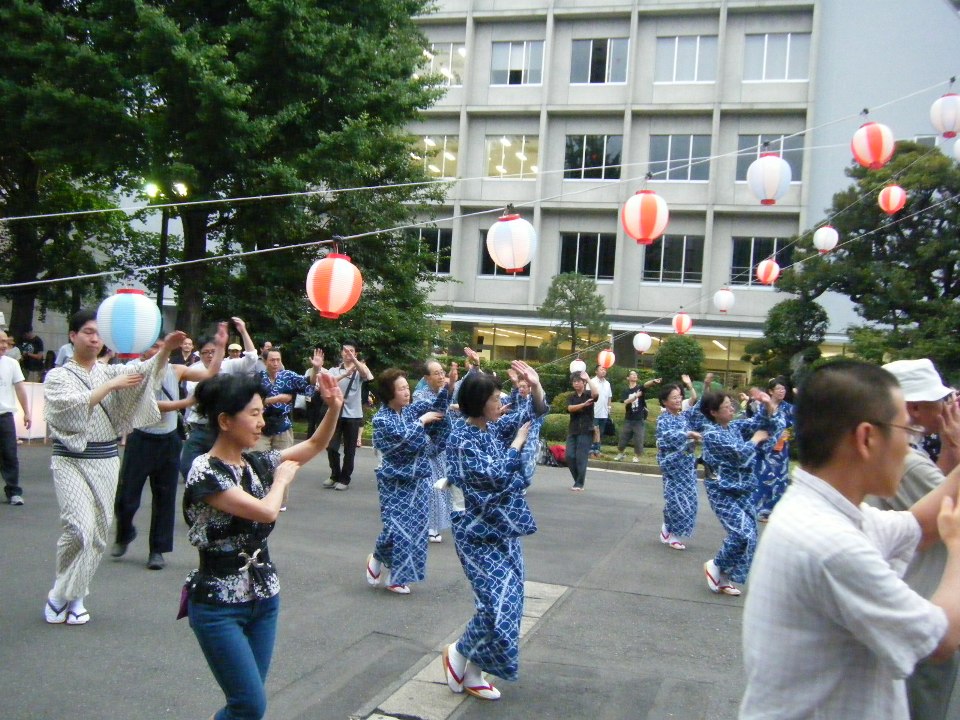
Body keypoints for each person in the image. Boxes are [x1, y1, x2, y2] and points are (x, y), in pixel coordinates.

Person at [741, 360, 960, 720]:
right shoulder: (831, 544)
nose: (909, 446)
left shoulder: (820, 512)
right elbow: (940, 638)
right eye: (907, 433)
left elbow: (919, 525)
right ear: (867, 438)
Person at [183, 371, 343, 720]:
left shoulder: (254, 463)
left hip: (263, 596)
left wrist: (333, 408)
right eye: (253, 414)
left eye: (262, 412)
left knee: (247, 705)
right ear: (225, 421)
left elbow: (314, 445)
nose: (261, 422)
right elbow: (266, 511)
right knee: (248, 705)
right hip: (218, 604)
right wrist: (282, 480)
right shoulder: (204, 471)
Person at [43, 309, 183, 625]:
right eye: (88, 332)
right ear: (73, 336)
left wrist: (166, 350)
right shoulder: (59, 376)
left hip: (105, 458)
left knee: (96, 533)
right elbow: (66, 409)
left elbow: (145, 372)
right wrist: (109, 386)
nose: (95, 338)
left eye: (98, 333)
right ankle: (60, 594)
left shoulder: (111, 372)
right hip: (70, 459)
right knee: (78, 526)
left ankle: (73, 596)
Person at [441, 362, 548, 702]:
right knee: (493, 605)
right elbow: (496, 476)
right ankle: (459, 653)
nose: (501, 402)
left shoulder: (488, 428)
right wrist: (516, 444)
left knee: (511, 602)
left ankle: (472, 669)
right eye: (496, 397)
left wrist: (537, 386)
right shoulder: (461, 438)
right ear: (479, 401)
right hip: (475, 533)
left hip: (501, 528)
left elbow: (531, 415)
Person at [870, 358, 960, 720]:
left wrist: (951, 452)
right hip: (924, 609)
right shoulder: (909, 462)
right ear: (915, 408)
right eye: (944, 400)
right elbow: (945, 512)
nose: (949, 405)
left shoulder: (903, 457)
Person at [111, 325, 227, 569]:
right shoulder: (136, 374)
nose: (155, 351)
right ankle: (124, 533)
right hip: (141, 439)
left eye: (159, 345)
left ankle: (157, 550)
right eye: (151, 347)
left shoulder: (176, 370)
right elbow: (151, 407)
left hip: (169, 440)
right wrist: (187, 402)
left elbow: (210, 373)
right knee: (126, 496)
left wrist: (221, 346)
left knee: (164, 497)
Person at [366, 366, 452, 594]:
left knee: (415, 530)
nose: (407, 392)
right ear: (389, 392)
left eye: (407, 387)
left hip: (418, 480)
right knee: (396, 528)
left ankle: (395, 575)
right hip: (394, 481)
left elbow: (437, 409)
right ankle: (380, 561)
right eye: (401, 388)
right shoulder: (382, 420)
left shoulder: (411, 411)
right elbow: (403, 442)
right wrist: (421, 422)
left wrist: (447, 388)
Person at [699, 388, 785, 596]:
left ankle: (725, 577)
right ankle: (716, 565)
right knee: (741, 532)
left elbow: (758, 424)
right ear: (713, 412)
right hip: (722, 491)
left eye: (731, 406)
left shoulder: (734, 427)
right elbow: (739, 454)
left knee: (750, 537)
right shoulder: (712, 434)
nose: (731, 410)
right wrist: (755, 440)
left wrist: (767, 406)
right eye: (726, 407)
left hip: (744, 489)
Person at [179, 318, 258, 480]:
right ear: (199, 354)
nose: (209, 356)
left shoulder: (229, 365)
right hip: (199, 429)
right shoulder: (193, 371)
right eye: (205, 352)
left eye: (213, 352)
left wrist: (242, 330)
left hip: (223, 430)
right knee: (188, 468)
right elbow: (201, 398)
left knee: (226, 472)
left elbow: (251, 359)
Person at [413, 359, 458, 543]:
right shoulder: (419, 395)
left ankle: (435, 524)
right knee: (431, 488)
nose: (441, 376)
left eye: (442, 372)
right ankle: (431, 526)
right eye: (437, 373)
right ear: (426, 377)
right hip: (427, 448)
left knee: (443, 486)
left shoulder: (442, 391)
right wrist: (451, 387)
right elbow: (437, 410)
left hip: (443, 449)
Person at [654, 375, 700, 550]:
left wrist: (690, 386)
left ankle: (668, 527)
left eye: (679, 396)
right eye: (674, 397)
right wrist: (687, 435)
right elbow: (667, 438)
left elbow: (697, 404)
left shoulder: (684, 416)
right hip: (672, 465)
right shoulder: (663, 419)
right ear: (665, 402)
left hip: (687, 466)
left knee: (690, 499)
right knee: (675, 499)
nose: (678, 399)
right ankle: (673, 535)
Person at [323, 340, 373, 491]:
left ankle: (345, 478)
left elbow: (367, 376)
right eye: (345, 351)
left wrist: (355, 363)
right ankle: (334, 474)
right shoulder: (334, 370)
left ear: (355, 354)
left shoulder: (360, 369)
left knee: (349, 450)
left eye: (351, 351)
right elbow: (329, 382)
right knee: (331, 446)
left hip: (353, 415)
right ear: (341, 353)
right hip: (335, 414)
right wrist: (346, 373)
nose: (348, 353)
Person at [256, 348, 321, 453]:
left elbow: (308, 382)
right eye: (272, 360)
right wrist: (274, 400)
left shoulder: (288, 376)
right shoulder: (258, 378)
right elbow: (250, 402)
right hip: (261, 426)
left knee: (282, 462)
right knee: (258, 462)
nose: (276, 363)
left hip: (283, 426)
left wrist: (316, 368)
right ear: (265, 361)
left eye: (278, 360)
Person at [751, 377, 795, 522]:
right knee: (762, 478)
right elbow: (756, 423)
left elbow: (800, 420)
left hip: (781, 449)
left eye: (784, 389)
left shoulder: (788, 407)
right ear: (770, 391)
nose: (782, 391)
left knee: (779, 480)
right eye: (778, 389)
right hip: (764, 447)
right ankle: (759, 510)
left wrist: (789, 432)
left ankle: (772, 511)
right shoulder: (763, 407)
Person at [0, 329, 31, 506]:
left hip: (5, 416)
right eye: (0, 341)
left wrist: (27, 412)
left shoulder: (12, 364)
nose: (4, 345)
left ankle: (13, 491)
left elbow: (20, 388)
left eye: (6, 342)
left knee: (10, 454)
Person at [616, 372, 660, 462]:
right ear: (628, 378)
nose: (635, 375)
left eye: (636, 374)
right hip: (628, 418)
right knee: (623, 439)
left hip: (639, 418)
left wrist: (653, 381)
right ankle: (621, 453)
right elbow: (625, 402)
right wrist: (636, 396)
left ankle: (636, 456)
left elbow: (646, 385)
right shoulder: (626, 391)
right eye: (632, 374)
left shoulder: (639, 388)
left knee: (638, 440)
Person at [566, 370, 597, 491]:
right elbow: (570, 408)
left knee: (581, 457)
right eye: (574, 382)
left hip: (586, 430)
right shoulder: (571, 397)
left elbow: (596, 394)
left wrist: (589, 379)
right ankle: (578, 480)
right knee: (569, 456)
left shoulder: (589, 394)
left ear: (583, 383)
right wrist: (583, 405)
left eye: (578, 381)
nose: (576, 384)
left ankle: (579, 484)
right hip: (573, 430)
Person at [589, 364, 612, 457]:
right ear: (596, 371)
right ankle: (592, 449)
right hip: (594, 411)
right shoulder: (592, 382)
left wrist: (609, 407)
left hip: (604, 412)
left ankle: (597, 449)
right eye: (601, 369)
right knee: (594, 430)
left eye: (604, 370)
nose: (603, 371)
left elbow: (609, 397)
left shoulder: (607, 383)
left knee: (600, 432)